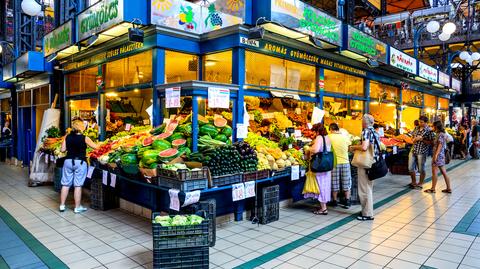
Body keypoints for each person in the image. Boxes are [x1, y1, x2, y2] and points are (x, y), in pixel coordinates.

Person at [59, 120, 98, 213]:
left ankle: (62, 205)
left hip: (68, 161)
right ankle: (77, 207)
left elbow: (62, 150)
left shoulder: (67, 137)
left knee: (65, 184)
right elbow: (96, 147)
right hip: (80, 162)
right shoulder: (85, 138)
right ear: (81, 127)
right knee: (78, 185)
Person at [349, 114, 380, 221]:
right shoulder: (375, 132)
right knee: (369, 188)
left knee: (364, 189)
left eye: (362, 120)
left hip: (366, 163)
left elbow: (364, 146)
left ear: (364, 122)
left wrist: (353, 147)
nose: (361, 122)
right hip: (373, 162)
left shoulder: (366, 131)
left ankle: (367, 214)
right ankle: (368, 211)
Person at [305, 123, 332, 215]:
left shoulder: (319, 137)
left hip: (320, 165)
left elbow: (316, 150)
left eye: (314, 131)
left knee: (321, 185)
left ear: (317, 131)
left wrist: (308, 148)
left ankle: (323, 209)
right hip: (326, 165)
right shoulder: (327, 137)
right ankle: (323, 206)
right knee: (325, 184)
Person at [328, 123, 352, 209]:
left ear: (331, 129)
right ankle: (347, 201)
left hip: (334, 163)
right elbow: (349, 148)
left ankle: (334, 201)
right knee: (346, 182)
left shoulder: (329, 137)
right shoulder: (345, 137)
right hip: (345, 162)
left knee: (334, 182)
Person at [425, 121, 452, 194]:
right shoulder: (439, 134)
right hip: (441, 155)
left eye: (433, 126)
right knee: (444, 172)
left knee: (434, 172)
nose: (432, 127)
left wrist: (435, 156)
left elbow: (439, 146)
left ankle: (433, 189)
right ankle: (448, 188)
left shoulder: (440, 135)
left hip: (438, 155)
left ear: (436, 127)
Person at [408, 116, 434, 189]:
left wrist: (422, 139)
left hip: (422, 152)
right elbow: (412, 136)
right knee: (410, 168)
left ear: (426, 123)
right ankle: (414, 182)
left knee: (421, 169)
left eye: (422, 122)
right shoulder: (416, 128)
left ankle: (421, 183)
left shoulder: (429, 131)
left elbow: (432, 142)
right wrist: (413, 138)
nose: (420, 123)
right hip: (413, 150)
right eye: (419, 122)